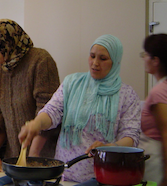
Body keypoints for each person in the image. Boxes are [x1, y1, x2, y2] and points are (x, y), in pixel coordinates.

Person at [18, 34, 141, 183]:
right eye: (92, 56)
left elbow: (131, 137)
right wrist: (36, 124)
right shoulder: (72, 83)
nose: (95, 63)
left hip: (102, 177)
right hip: (65, 174)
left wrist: (110, 147)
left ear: (115, 62)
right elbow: (52, 111)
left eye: (103, 59)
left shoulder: (127, 95)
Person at [0, 19, 61, 172]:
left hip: (42, 159)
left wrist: (32, 159)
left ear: (6, 42)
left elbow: (47, 114)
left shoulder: (40, 61)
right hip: (14, 158)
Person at [138, 33, 167, 185]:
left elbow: (165, 133)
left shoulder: (159, 92)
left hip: (157, 162)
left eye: (145, 54)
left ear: (155, 61)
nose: (143, 58)